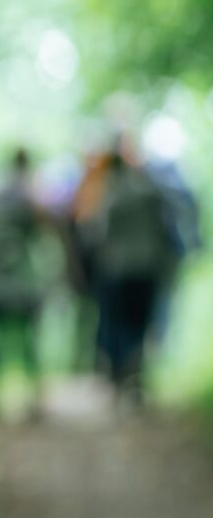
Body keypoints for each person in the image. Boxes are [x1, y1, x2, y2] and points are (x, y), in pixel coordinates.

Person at [75, 143, 179, 406]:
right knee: (140, 322)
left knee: (117, 323)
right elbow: (167, 226)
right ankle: (136, 376)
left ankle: (121, 375)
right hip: (146, 268)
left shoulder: (108, 195)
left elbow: (95, 233)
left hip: (117, 270)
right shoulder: (150, 190)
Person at [0, 148, 47, 417]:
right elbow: (45, 224)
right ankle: (35, 399)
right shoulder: (31, 192)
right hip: (24, 277)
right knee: (29, 338)